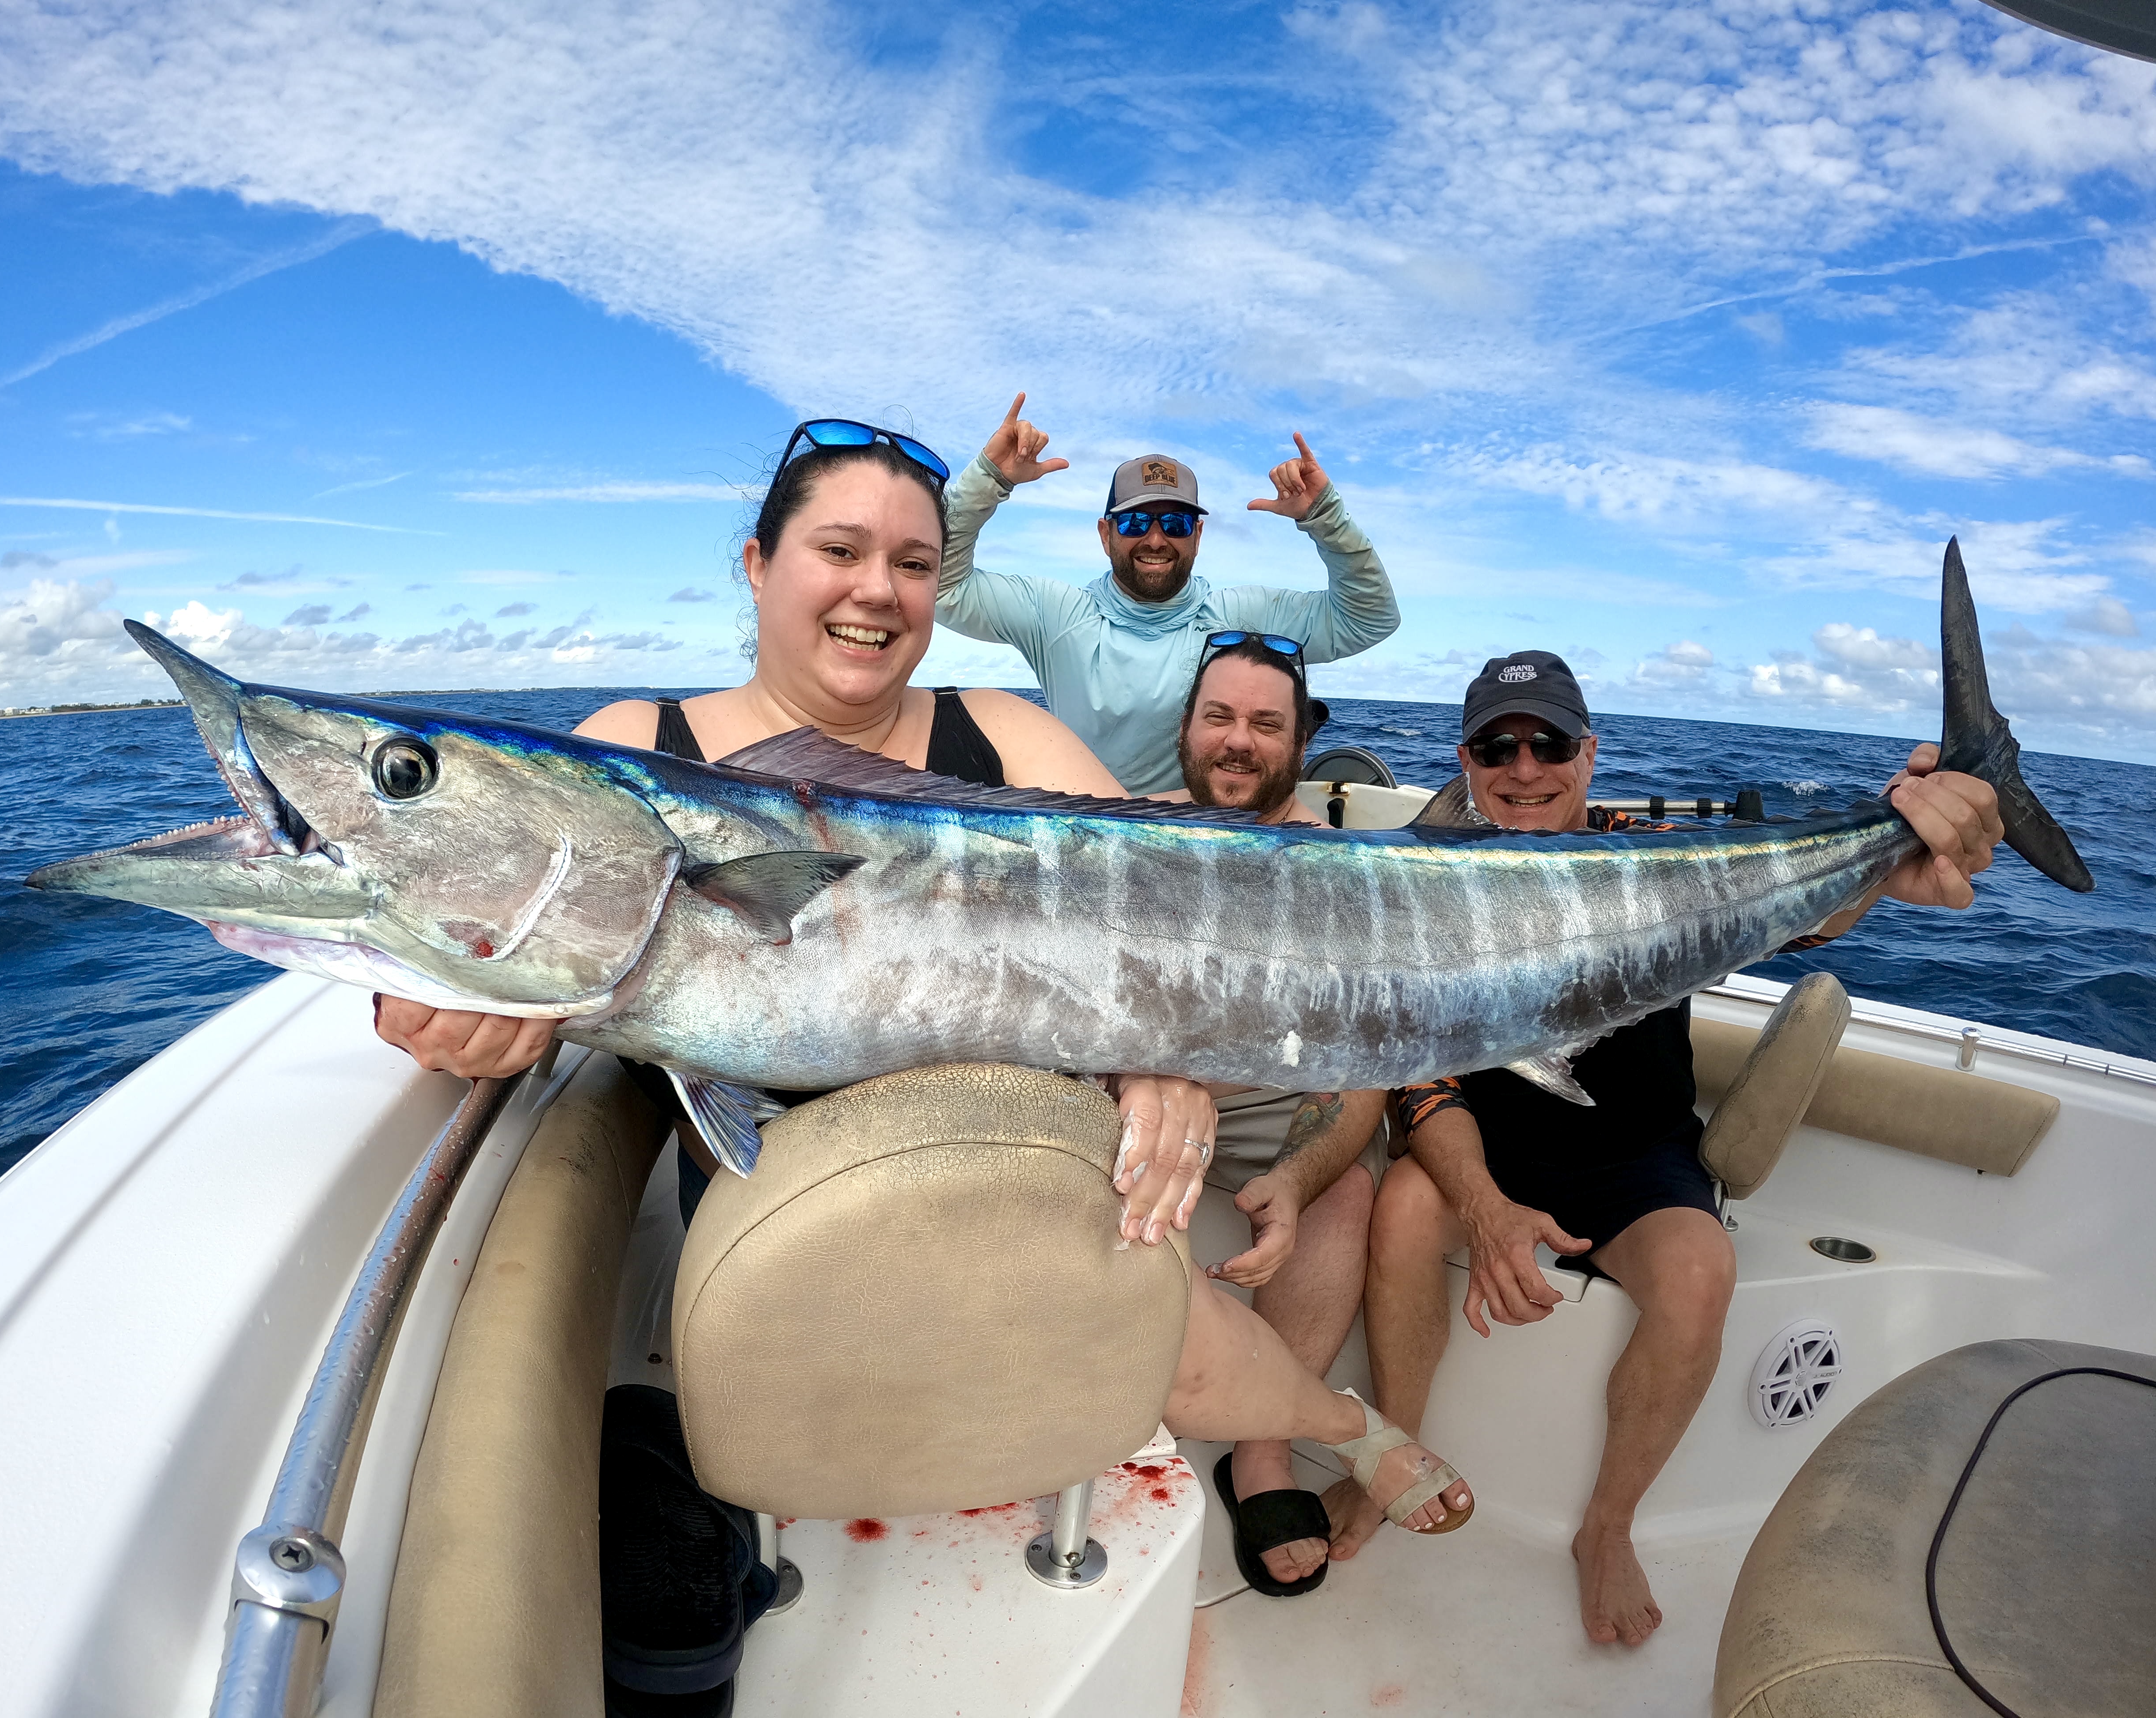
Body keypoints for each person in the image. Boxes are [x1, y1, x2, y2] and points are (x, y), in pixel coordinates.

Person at [363, 418, 1459, 1522]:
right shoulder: (634, 749)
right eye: (840, 552)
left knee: (1136, 1301)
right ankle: (1331, 1423)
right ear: (757, 563)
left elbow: (1169, 908)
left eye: (914, 564)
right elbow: (485, 906)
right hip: (785, 1201)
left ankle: (1333, 1425)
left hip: (1024, 1157)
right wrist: (437, 999)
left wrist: (1160, 1050)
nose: (878, 590)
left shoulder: (1000, 733)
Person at [1323, 650, 2007, 1646]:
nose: (1524, 768)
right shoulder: (1424, 881)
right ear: (1465, 761)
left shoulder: (1660, 856)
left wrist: (1891, 848)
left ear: (1589, 755)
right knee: (1402, 1207)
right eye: (1497, 747)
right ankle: (1400, 1451)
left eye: (1549, 743)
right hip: (1483, 1133)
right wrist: (1485, 1205)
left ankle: (1606, 1527)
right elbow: (1420, 1079)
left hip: (1634, 1150)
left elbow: (1806, 919)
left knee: (1699, 1271)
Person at [1156, 632, 1415, 1596]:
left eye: (1266, 724)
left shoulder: (1350, 876)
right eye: (1219, 717)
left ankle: (1262, 1448)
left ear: (1301, 741)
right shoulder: (1130, 839)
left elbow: (1363, 1076)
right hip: (1141, 1096)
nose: (1239, 742)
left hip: (1275, 1107)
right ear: (1186, 729)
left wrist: (1298, 1182)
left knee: (1348, 1188)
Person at [930, 394, 1400, 793]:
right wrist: (988, 479)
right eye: (1136, 522)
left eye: (1174, 523)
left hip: (1199, 844)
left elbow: (1369, 619)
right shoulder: (1054, 614)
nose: (1156, 540)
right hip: (1079, 837)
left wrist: (1326, 518)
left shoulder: (1244, 616)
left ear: (1197, 537)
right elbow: (940, 585)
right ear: (1105, 534)